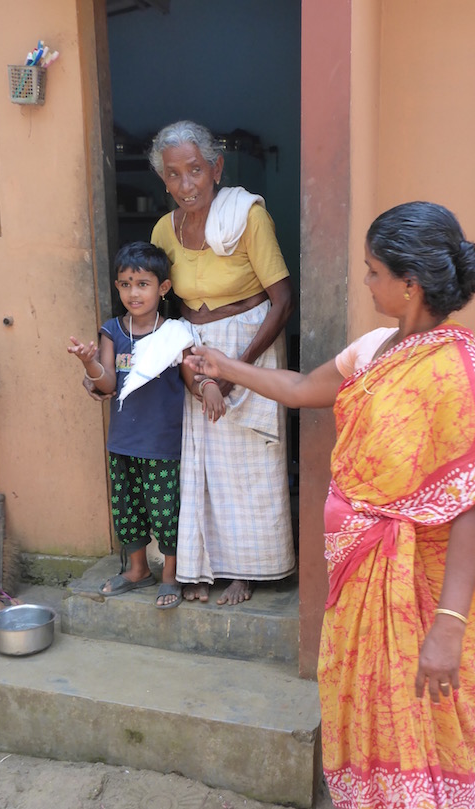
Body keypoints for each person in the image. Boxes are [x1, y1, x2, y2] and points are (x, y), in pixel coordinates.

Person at [186, 201, 475, 809]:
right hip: (360, 577)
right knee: (359, 706)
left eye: (375, 272)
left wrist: (449, 626)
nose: (365, 280)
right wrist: (222, 363)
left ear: (411, 283)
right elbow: (300, 391)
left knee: (433, 720)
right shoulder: (375, 349)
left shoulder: (459, 372)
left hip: (426, 591)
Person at [148, 120, 296, 606]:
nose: (185, 185)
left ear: (216, 168)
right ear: (163, 179)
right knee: (204, 464)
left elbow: (281, 300)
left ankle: (247, 570)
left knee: (250, 462)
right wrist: (193, 369)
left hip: (249, 342)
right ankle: (204, 565)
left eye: (195, 170)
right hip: (194, 349)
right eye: (173, 174)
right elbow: (164, 307)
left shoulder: (247, 216)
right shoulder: (162, 231)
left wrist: (236, 370)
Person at [68, 241, 189, 609]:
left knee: (166, 512)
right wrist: (89, 364)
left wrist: (211, 386)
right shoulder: (112, 331)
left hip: (162, 443)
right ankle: (138, 570)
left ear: (162, 288)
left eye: (142, 284)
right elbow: (107, 384)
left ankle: (170, 575)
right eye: (124, 284)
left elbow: (191, 377)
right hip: (122, 441)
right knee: (128, 510)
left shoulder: (175, 334)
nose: (132, 293)